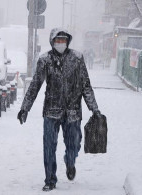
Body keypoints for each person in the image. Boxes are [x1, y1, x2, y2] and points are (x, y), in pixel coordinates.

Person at [17, 28, 101, 192]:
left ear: (68, 42)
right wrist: (25, 108)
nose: (61, 43)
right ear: (52, 42)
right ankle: (50, 179)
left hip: (73, 112)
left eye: (63, 40)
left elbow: (86, 86)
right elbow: (35, 86)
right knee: (49, 146)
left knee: (74, 144)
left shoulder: (77, 59)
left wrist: (94, 109)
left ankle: (70, 162)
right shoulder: (45, 60)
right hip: (51, 111)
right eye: (58, 40)